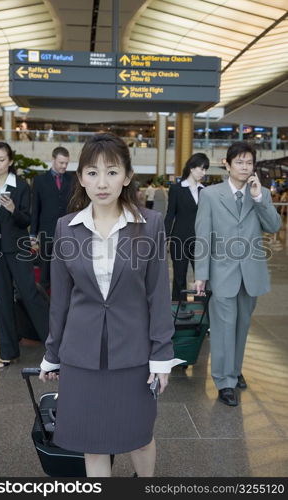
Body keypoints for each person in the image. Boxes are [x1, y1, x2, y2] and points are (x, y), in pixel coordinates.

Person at [39, 133, 181, 477]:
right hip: (82, 355)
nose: (102, 183)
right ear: (81, 177)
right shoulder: (66, 228)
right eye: (92, 172)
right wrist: (52, 353)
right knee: (93, 442)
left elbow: (158, 295)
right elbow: (61, 300)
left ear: (128, 177)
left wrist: (161, 356)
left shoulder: (149, 225)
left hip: (133, 353)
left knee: (141, 438)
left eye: (112, 172)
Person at [194, 142, 281, 407]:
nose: (245, 167)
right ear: (227, 164)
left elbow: (274, 225)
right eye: (239, 162)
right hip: (222, 273)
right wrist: (201, 274)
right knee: (222, 329)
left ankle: (234, 369)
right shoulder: (210, 195)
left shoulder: (261, 193)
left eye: (249, 163)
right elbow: (203, 236)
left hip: (251, 274)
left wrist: (258, 199)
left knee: (242, 327)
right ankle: (224, 381)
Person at [0, 142, 49, 368]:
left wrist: (12, 209)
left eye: (1, 159)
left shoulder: (20, 186)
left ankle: (55, 347)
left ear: (10, 161)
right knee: (2, 301)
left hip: (18, 250)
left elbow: (26, 220)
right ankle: (8, 353)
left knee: (30, 295)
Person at [164, 153, 209, 301]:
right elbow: (170, 215)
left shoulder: (205, 191)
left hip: (201, 242)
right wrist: (165, 238)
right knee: (179, 277)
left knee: (202, 278)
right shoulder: (177, 189)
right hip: (180, 239)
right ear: (191, 168)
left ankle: (201, 312)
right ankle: (178, 312)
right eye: (201, 169)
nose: (204, 173)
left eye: (205, 169)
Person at [30, 146, 72, 291]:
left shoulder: (71, 180)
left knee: (65, 266)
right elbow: (35, 209)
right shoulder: (40, 181)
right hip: (46, 231)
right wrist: (33, 234)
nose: (64, 166)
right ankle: (44, 301)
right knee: (45, 268)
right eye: (61, 162)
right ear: (53, 160)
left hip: (66, 232)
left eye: (66, 163)